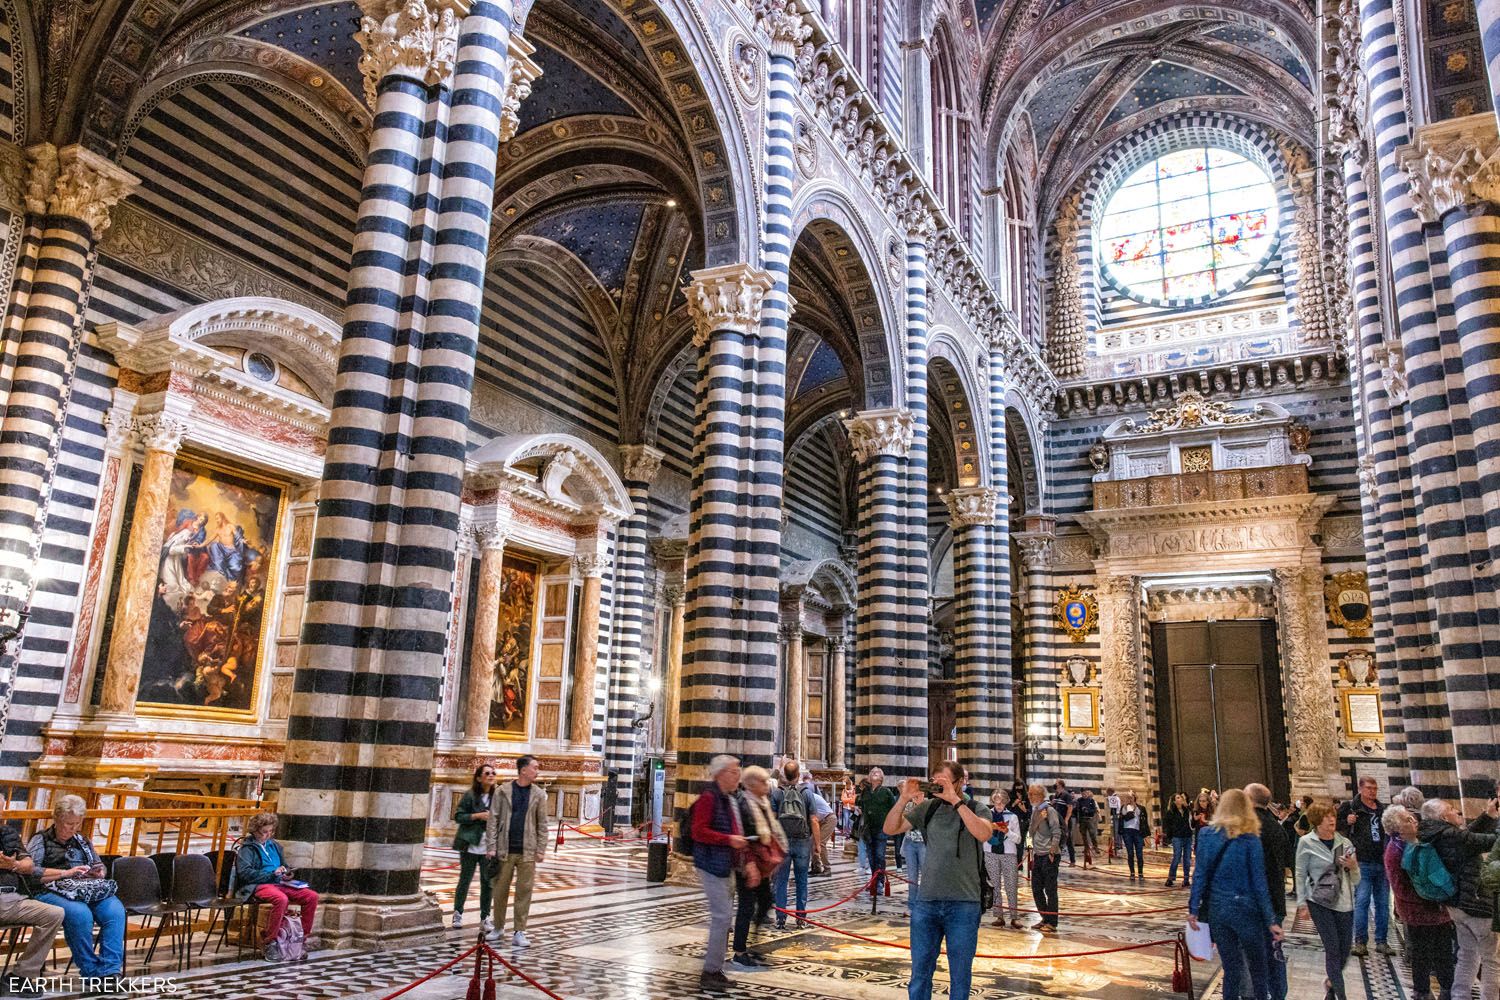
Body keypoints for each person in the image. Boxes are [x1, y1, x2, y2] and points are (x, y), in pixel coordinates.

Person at [884, 762, 992, 1000]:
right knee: (920, 972)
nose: (938, 787)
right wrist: (903, 799)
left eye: (943, 782)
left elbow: (983, 833)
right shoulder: (928, 809)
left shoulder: (977, 808)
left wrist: (956, 801)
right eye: (935, 782)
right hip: (927, 903)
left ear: (959, 782)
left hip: (964, 903)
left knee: (960, 975)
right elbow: (890, 828)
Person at [1188, 789, 1283, 1000]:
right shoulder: (1250, 839)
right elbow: (1259, 883)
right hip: (1247, 911)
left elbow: (1200, 874)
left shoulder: (1206, 834)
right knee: (1258, 971)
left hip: (1218, 911)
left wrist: (1193, 909)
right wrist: (1271, 920)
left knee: (1231, 970)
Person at [1418, 796, 1500, 1000]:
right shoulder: (1452, 836)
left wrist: (1488, 816)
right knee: (1492, 959)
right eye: (1452, 809)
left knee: (1467, 955)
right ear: (1444, 816)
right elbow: (1489, 842)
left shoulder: (1436, 833)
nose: (1457, 812)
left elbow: (1468, 837)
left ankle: (1459, 996)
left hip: (1457, 906)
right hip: (1476, 905)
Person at [1383, 804, 1454, 1000]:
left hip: (1438, 910)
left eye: (1412, 818)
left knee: (1444, 954)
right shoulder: (1394, 850)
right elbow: (1400, 887)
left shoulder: (1422, 841)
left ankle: (1448, 990)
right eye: (1407, 819)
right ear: (1396, 827)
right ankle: (1422, 993)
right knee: (1422, 956)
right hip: (1417, 913)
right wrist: (1426, 898)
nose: (1414, 821)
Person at [690, 755, 747, 991]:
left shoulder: (728, 798)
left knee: (724, 918)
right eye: (734, 772)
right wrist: (728, 840)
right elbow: (698, 831)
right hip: (711, 864)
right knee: (722, 917)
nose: (737, 776)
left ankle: (716, 968)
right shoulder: (709, 798)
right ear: (721, 773)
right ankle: (710, 971)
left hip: (725, 863)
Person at [1295, 801, 1361, 1000]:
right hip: (1319, 902)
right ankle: (1341, 996)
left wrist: (1353, 866)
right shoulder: (1306, 842)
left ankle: (1331, 985)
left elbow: (1356, 879)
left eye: (1332, 815)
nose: (1331, 819)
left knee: (1344, 951)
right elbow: (1300, 873)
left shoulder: (1345, 843)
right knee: (1332, 948)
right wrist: (1301, 903)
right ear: (1316, 821)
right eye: (1326, 816)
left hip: (1344, 902)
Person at [485, 754, 549, 950]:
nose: (537, 771)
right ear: (523, 770)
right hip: (505, 848)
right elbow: (493, 820)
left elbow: (543, 824)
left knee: (524, 891)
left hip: (527, 850)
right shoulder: (502, 791)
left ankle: (519, 931)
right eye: (534, 767)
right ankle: (498, 927)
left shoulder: (538, 794)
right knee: (500, 889)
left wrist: (541, 848)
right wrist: (491, 846)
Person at [234, 810, 320, 955]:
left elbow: (284, 865)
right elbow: (245, 873)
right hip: (259, 885)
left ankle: (300, 939)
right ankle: (270, 940)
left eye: (270, 831)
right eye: (263, 832)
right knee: (281, 899)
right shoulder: (247, 849)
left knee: (312, 896)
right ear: (255, 831)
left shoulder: (274, 846)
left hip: (280, 882)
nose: (267, 835)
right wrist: (270, 874)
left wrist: (286, 873)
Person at [0, 803, 64, 991]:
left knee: (54, 913)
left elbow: (28, 865)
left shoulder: (7, 834)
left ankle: (22, 975)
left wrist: (13, 865)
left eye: (0, 810)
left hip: (12, 898)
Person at [731, 766, 785, 970]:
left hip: (760, 863)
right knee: (746, 906)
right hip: (748, 864)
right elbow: (745, 836)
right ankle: (739, 951)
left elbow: (769, 832)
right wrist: (751, 865)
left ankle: (751, 944)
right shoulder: (744, 803)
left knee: (765, 901)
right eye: (763, 782)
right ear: (752, 784)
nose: (767, 785)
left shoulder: (761, 802)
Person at [1336, 776, 1392, 956]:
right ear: (1360, 789)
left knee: (1383, 903)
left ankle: (1382, 941)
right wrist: (1347, 821)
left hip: (1381, 861)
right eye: (1369, 788)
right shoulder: (1351, 807)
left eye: (1375, 788)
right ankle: (1360, 941)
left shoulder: (1382, 809)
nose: (1372, 792)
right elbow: (1336, 827)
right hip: (1362, 862)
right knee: (1362, 901)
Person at [1247, 783, 1292, 1000]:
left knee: (1251, 954)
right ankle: (1278, 994)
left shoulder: (1247, 828)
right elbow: (1288, 863)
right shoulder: (1278, 828)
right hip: (1275, 899)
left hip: (1253, 902)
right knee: (1274, 952)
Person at [452, 763, 497, 931]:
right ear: (479, 778)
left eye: (493, 773)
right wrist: (478, 816)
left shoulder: (497, 797)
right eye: (487, 773)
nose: (491, 775)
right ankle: (458, 912)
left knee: (488, 882)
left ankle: (485, 917)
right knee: (465, 879)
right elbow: (458, 816)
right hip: (470, 844)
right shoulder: (470, 795)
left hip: (489, 846)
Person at [771, 761, 812, 929]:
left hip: (783, 841)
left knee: (781, 880)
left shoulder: (777, 793)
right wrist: (816, 847)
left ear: (784, 775)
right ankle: (800, 918)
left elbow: (772, 819)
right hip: (802, 840)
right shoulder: (807, 793)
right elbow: (814, 820)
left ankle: (781, 918)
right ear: (798, 775)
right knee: (802, 880)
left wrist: (772, 841)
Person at [986, 788, 1023, 928]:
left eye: (1001, 803)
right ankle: (999, 916)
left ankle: (1014, 917)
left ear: (1006, 802)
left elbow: (1019, 839)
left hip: (1008, 853)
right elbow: (982, 833)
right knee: (994, 885)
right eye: (996, 802)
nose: (999, 805)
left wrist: (1007, 831)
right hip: (990, 852)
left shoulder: (1012, 817)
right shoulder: (987, 815)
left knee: (1011, 885)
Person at [1027, 784, 1062, 932]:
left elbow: (1056, 832)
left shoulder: (1050, 810)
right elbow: (1031, 832)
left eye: (1033, 794)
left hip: (1049, 855)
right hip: (1038, 854)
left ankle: (1052, 922)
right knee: (1036, 888)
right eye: (1029, 794)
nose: (1030, 797)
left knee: (1050, 889)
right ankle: (1044, 917)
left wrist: (1052, 852)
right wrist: (1029, 849)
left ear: (1041, 795)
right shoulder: (1035, 811)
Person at [856, 768, 896, 885]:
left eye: (877, 772)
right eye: (872, 772)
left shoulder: (886, 792)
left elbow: (893, 809)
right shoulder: (865, 792)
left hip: (881, 828)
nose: (874, 773)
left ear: (881, 778)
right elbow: (861, 805)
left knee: (879, 855)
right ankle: (874, 880)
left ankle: (880, 881)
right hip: (868, 828)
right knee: (871, 856)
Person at [798, 771, 836, 877]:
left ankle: (827, 869)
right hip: (821, 820)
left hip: (828, 819)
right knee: (811, 843)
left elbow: (813, 819)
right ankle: (816, 867)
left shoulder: (807, 797)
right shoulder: (806, 795)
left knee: (821, 844)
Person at [900, 784, 928, 909]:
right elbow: (905, 821)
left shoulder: (928, 805)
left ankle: (924, 902)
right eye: (914, 795)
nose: (916, 797)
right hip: (910, 842)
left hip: (923, 843)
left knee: (925, 873)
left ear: (923, 795)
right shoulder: (909, 806)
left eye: (919, 794)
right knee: (912, 875)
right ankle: (912, 904)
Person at [1115, 790, 1148, 879]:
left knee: (1139, 853)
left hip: (1138, 832)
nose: (1129, 798)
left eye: (1131, 797)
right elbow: (1123, 815)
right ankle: (1132, 873)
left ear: (1134, 797)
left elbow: (1144, 822)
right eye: (1127, 797)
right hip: (1127, 832)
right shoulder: (1124, 807)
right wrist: (1126, 804)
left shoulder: (1141, 808)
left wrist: (1145, 835)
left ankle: (1140, 873)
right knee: (1130, 853)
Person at [1163, 792, 1193, 887]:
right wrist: (1170, 836)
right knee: (1177, 857)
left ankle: (1186, 879)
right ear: (1174, 801)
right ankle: (1171, 878)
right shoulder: (1171, 812)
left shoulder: (1187, 810)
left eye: (1181, 797)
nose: (1181, 799)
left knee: (1187, 858)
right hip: (1177, 837)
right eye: (1178, 797)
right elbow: (1167, 825)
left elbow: (1191, 822)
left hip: (1187, 836)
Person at [1051, 780, 1077, 865]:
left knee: (1068, 840)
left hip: (1064, 822)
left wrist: (1066, 819)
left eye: (1057, 784)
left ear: (1061, 785)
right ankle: (1056, 860)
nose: (1055, 785)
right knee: (1057, 839)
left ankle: (1072, 860)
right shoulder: (1056, 795)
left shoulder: (1066, 795)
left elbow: (1070, 808)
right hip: (1056, 821)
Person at [1075, 789, 1101, 867]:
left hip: (1089, 819)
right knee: (1083, 835)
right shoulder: (1079, 800)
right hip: (1082, 819)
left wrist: (1088, 810)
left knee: (1092, 833)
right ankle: (1086, 848)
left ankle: (1095, 847)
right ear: (1081, 794)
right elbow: (1078, 810)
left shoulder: (1091, 800)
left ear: (1087, 794)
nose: (1084, 795)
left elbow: (1094, 810)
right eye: (1083, 794)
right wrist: (1078, 821)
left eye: (1085, 794)